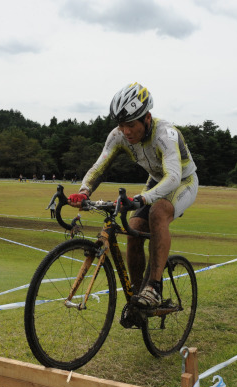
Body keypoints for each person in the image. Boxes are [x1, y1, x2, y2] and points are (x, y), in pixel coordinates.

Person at [68, 82, 198, 309]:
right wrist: (84, 191)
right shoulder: (118, 136)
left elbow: (174, 177)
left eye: (130, 124)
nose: (126, 131)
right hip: (156, 180)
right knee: (134, 227)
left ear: (147, 117)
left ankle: (154, 288)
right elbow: (100, 166)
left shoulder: (164, 135)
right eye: (121, 125)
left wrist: (144, 198)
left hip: (182, 181)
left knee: (158, 213)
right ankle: (139, 297)